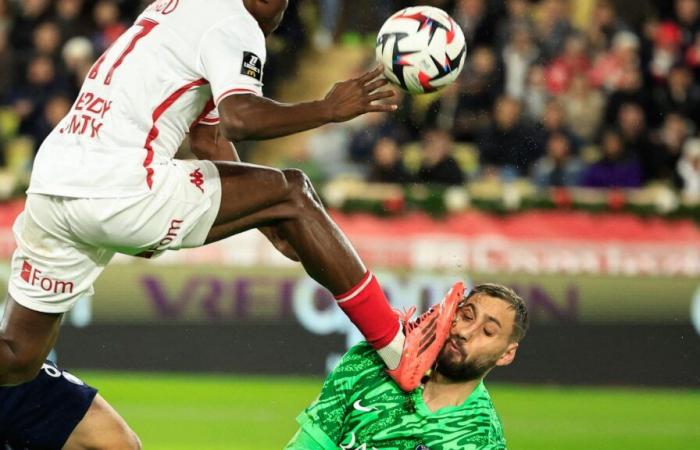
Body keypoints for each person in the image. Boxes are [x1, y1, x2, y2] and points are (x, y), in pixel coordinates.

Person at [0, 1, 461, 449]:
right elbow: (240, 118)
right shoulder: (235, 22)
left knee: (18, 359)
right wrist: (327, 108)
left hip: (54, 181)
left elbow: (209, 134)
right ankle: (400, 350)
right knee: (294, 191)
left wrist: (262, 217)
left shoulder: (180, 10)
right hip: (122, 184)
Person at [285, 282, 529, 450]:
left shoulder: (482, 440)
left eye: (488, 331)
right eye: (466, 316)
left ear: (506, 354)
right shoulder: (368, 363)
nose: (465, 332)